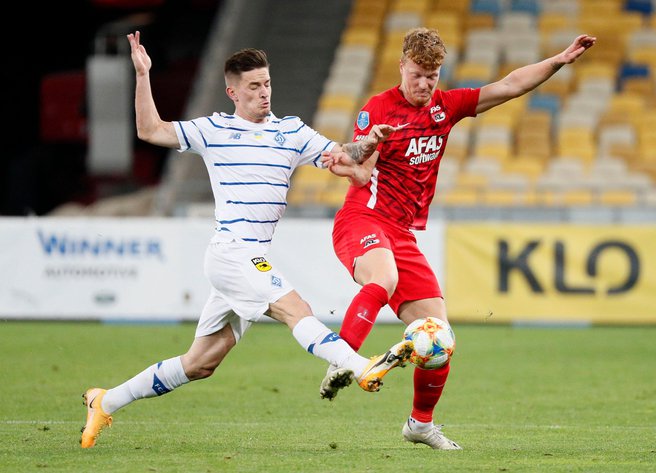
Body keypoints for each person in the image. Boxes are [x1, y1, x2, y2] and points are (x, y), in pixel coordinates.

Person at [80, 31, 414, 449]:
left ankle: (105, 400)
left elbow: (345, 154)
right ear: (232, 92)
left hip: (250, 255)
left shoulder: (291, 131)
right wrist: (143, 75)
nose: (264, 93)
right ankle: (361, 366)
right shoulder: (213, 130)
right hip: (231, 252)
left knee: (201, 363)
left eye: (267, 83)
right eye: (254, 87)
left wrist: (370, 142)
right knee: (297, 309)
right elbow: (150, 130)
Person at [321, 27, 596, 449]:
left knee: (440, 339)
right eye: (417, 74)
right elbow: (360, 166)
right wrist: (353, 153)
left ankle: (419, 425)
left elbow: (508, 85)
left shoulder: (445, 107)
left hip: (403, 234)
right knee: (384, 279)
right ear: (402, 67)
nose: (424, 84)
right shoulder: (378, 108)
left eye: (432, 76)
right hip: (364, 219)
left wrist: (558, 61)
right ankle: (341, 358)